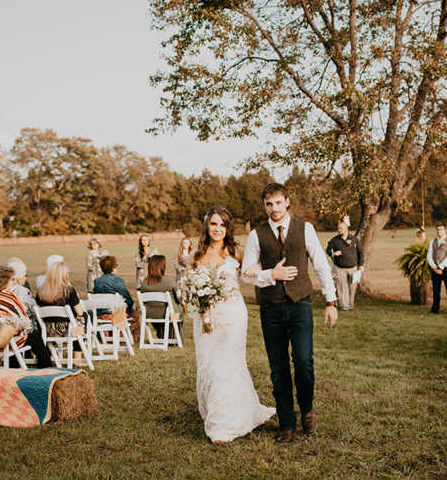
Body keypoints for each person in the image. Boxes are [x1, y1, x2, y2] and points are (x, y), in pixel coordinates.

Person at [241, 183, 338, 443]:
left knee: (304, 362)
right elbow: (246, 274)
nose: (274, 208)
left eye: (278, 202)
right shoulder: (256, 235)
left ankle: (307, 410)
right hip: (271, 308)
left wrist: (331, 302)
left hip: (300, 305)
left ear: (287, 202)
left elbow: (320, 265)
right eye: (269, 204)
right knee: (278, 367)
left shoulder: (305, 229)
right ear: (264, 206)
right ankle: (287, 423)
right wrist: (270, 274)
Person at [185, 205, 275, 444]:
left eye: (222, 224)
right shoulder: (196, 254)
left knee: (228, 365)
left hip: (233, 315)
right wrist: (197, 303)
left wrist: (262, 271)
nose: (217, 229)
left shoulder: (236, 251)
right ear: (207, 226)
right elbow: (187, 286)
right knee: (209, 365)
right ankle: (215, 412)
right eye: (213, 224)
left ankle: (223, 424)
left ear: (228, 227)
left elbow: (252, 273)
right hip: (205, 318)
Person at [92, 256, 141, 342]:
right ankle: (133, 337)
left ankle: (108, 335)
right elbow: (127, 299)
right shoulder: (118, 280)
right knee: (134, 310)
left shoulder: (96, 281)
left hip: (101, 315)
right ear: (113, 268)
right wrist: (131, 307)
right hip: (115, 316)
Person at [36, 261, 85, 339]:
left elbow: (39, 309)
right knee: (85, 316)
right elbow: (79, 312)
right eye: (67, 273)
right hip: (67, 329)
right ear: (63, 275)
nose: (68, 276)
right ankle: (78, 349)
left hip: (47, 329)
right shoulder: (69, 290)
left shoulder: (40, 290)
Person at [138, 255, 181, 337]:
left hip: (150, 315)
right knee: (179, 311)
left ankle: (162, 335)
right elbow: (179, 298)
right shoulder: (169, 280)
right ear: (162, 266)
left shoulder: (144, 282)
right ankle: (174, 338)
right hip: (168, 315)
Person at [325, 220, 364, 311]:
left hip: (353, 267)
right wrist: (334, 253)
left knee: (352, 287)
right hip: (339, 268)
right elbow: (328, 250)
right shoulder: (334, 240)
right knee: (342, 287)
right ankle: (344, 306)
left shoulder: (354, 239)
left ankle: (350, 304)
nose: (339, 230)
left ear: (346, 229)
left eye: (341, 228)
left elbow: (360, 252)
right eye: (338, 228)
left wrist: (361, 265)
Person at [427, 224, 447, 315]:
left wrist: (441, 267)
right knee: (436, 290)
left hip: (446, 268)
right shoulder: (433, 241)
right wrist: (434, 267)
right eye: (438, 229)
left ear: (445, 230)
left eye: (441, 230)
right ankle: (435, 308)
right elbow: (429, 255)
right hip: (435, 269)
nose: (439, 231)